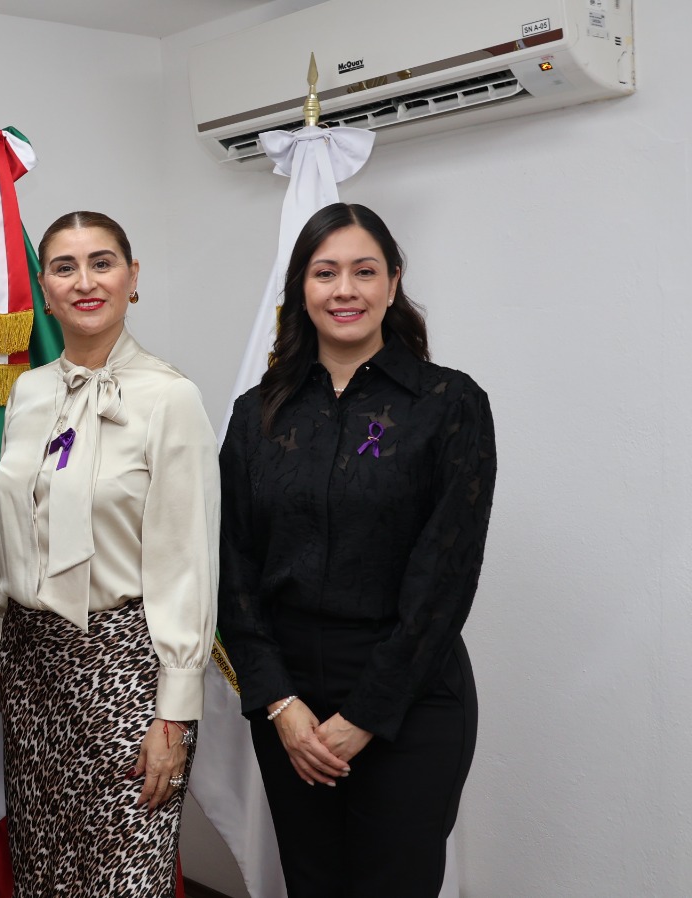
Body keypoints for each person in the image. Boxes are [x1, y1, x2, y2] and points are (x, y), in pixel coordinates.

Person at [219, 203, 496, 897]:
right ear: (301, 288)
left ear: (393, 281)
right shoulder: (256, 416)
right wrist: (278, 702)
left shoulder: (449, 404)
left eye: (364, 271)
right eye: (325, 272)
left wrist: (367, 713)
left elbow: (447, 575)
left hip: (409, 696)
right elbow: (230, 568)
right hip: (291, 702)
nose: (345, 289)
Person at [0, 211, 220, 896]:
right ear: (44, 288)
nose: (85, 281)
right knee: (44, 873)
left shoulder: (170, 397)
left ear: (133, 277)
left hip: (125, 670)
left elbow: (188, 562)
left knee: (125, 876)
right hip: (31, 669)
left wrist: (173, 712)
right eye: (65, 267)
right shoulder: (27, 393)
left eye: (102, 262)